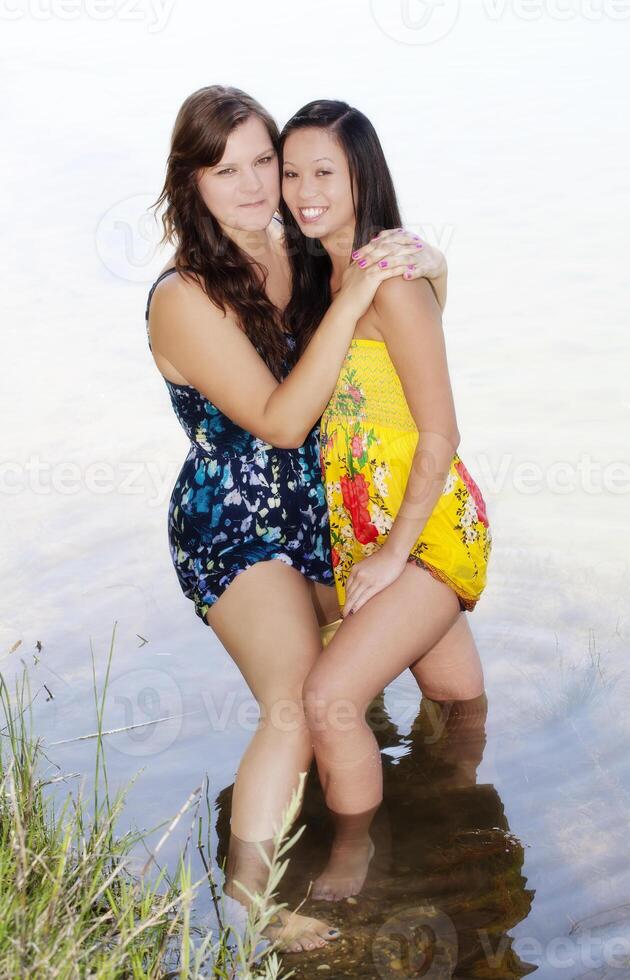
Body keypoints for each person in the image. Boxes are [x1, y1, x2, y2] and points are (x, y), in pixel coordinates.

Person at [145, 84, 448, 952]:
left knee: (345, 696)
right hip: (235, 518)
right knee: (291, 701)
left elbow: (396, 346)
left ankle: (415, 808)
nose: (250, 186)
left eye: (262, 164)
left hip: (320, 500)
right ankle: (250, 909)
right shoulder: (184, 295)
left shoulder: (295, 248)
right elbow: (279, 421)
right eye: (224, 169)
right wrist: (353, 299)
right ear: (190, 183)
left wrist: (423, 268)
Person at [278, 100, 492, 902]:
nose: (303, 190)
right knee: (454, 709)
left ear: (360, 174)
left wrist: (395, 553)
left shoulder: (392, 283)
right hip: (366, 530)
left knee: (332, 697)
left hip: (428, 529)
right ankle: (466, 844)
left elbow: (440, 431)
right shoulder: (321, 273)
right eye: (291, 172)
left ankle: (354, 866)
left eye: (323, 172)